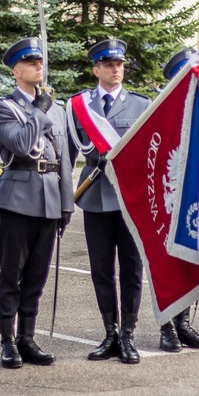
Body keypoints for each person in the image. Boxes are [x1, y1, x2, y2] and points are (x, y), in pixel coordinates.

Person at [0, 37, 75, 368]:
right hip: (18, 196)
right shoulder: (3, 107)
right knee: (12, 273)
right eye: (31, 62)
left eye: (40, 62)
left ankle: (27, 337)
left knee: (37, 274)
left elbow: (64, 160)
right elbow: (22, 144)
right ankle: (8, 340)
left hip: (51, 198)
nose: (39, 66)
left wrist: (67, 203)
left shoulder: (57, 108)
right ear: (16, 70)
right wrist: (38, 111)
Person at [66, 39, 150, 364]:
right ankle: (110, 333)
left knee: (131, 268)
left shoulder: (141, 105)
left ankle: (128, 334)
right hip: (96, 195)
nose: (116, 69)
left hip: (130, 198)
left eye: (120, 64)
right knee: (101, 269)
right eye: (109, 64)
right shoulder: (80, 107)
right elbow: (69, 155)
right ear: (96, 69)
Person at [154, 48, 199, 352]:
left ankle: (184, 323)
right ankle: (167, 326)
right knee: (167, 261)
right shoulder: (164, 111)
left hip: (195, 196)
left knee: (192, 255)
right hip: (168, 196)